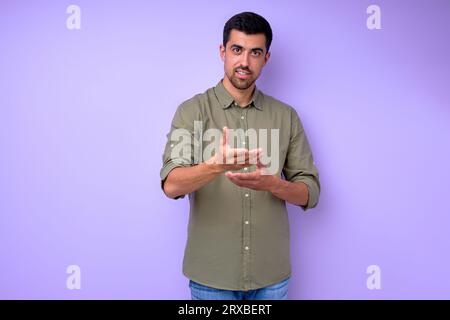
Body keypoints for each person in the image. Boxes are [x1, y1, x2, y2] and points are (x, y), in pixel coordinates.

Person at [160, 11, 320, 300]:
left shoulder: (287, 117)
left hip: (271, 277)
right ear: (223, 51)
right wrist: (214, 166)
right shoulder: (191, 111)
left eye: (255, 52)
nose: (244, 62)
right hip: (211, 277)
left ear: (266, 58)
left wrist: (274, 185)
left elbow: (310, 193)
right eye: (237, 50)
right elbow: (171, 185)